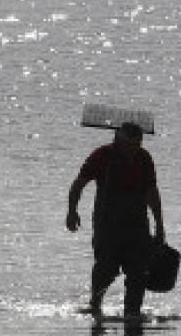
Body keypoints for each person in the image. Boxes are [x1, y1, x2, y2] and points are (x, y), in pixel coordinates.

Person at [66, 121, 165, 317]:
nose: (134, 149)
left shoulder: (144, 159)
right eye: (130, 145)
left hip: (137, 225)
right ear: (118, 140)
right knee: (105, 269)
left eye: (138, 144)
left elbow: (152, 193)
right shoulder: (102, 156)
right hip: (107, 224)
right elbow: (79, 184)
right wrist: (72, 211)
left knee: (138, 271)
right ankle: (95, 307)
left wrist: (159, 224)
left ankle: (133, 314)